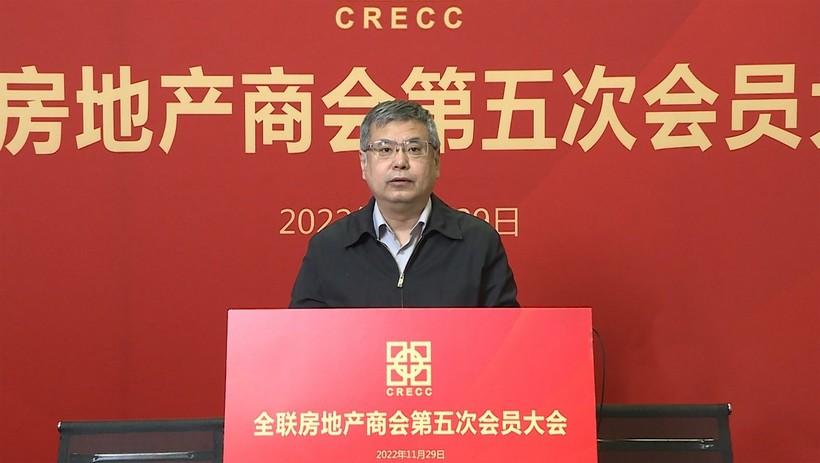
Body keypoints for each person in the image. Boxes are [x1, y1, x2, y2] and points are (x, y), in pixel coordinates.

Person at [289, 100, 519, 308]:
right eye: (385, 149)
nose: (400, 161)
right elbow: (303, 335)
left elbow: (506, 335)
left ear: (436, 162)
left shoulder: (478, 243)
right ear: (364, 163)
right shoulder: (328, 249)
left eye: (414, 149)